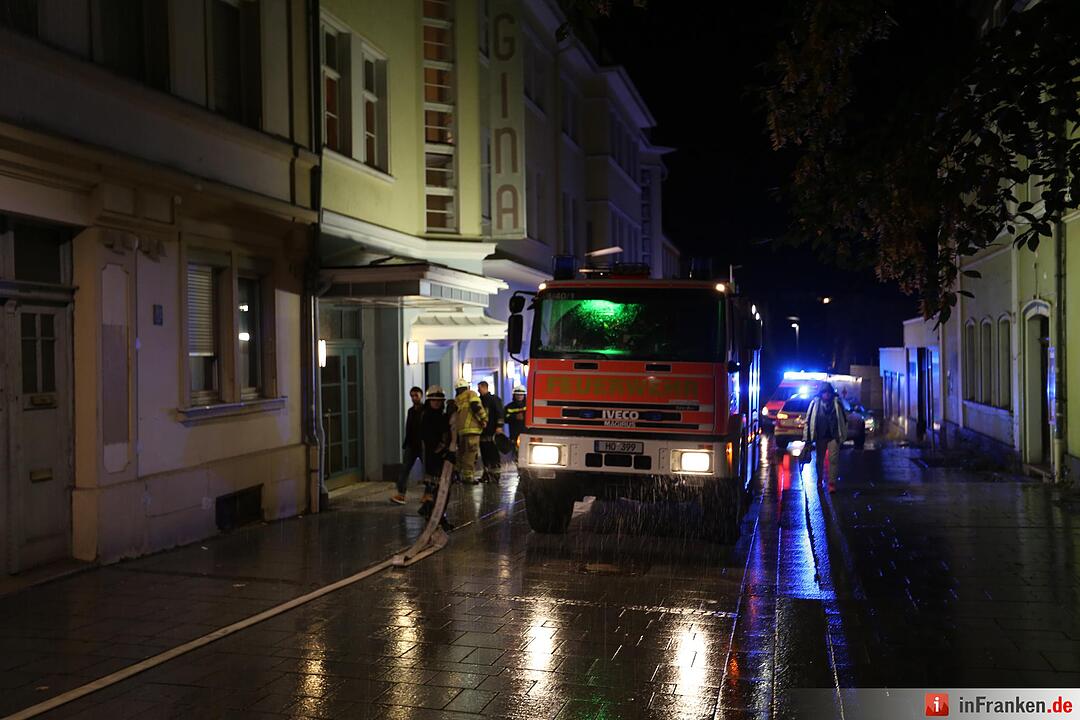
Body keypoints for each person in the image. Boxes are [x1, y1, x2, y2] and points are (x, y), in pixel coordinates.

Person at [417, 385, 453, 530]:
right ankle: (434, 517)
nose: (437, 403)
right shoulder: (427, 417)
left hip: (444, 458)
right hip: (434, 459)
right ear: (429, 401)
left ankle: (437, 516)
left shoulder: (442, 416)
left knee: (443, 491)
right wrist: (442, 449)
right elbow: (429, 439)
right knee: (437, 490)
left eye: (439, 401)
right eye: (434, 400)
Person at [802, 383, 848, 492]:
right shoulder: (815, 404)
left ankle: (832, 483)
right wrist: (807, 437)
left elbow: (844, 419)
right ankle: (819, 480)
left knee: (833, 459)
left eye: (828, 392)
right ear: (821, 394)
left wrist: (842, 435)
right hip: (820, 436)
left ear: (832, 393)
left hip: (834, 436)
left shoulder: (837, 404)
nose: (826, 395)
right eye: (824, 392)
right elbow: (808, 421)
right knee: (819, 460)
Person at [391, 386, 424, 504]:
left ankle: (428, 494)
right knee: (404, 469)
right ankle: (401, 494)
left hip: (422, 445)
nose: (414, 398)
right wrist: (406, 443)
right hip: (411, 444)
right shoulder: (411, 411)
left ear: (421, 395)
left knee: (427, 471)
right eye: (412, 396)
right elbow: (409, 428)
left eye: (416, 395)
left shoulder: (425, 410)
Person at [451, 378, 487, 484]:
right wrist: (484, 419)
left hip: (461, 431)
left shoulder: (457, 399)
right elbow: (476, 406)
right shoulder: (471, 394)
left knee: (461, 453)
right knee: (471, 454)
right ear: (467, 387)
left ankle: (456, 473)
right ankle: (468, 477)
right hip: (473, 429)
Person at [477, 380, 505, 483]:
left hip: (492, 431)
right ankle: (486, 474)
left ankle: (495, 475)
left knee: (493, 454)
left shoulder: (494, 400)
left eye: (479, 388)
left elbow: (500, 413)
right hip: (482, 432)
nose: (478, 390)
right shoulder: (479, 400)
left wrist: (499, 426)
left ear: (485, 387)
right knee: (484, 454)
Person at [505, 385, 527, 461]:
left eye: (521, 395)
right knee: (516, 451)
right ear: (514, 395)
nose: (519, 396)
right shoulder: (509, 406)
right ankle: (519, 465)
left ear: (524, 395)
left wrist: (524, 416)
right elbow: (505, 418)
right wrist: (515, 417)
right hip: (514, 433)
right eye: (517, 395)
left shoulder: (529, 405)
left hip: (526, 431)